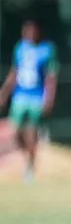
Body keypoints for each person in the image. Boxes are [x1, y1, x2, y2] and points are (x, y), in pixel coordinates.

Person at [0, 21, 59, 184]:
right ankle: (27, 155)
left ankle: (30, 167)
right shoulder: (20, 48)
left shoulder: (47, 49)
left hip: (36, 97)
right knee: (16, 131)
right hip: (20, 96)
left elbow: (51, 76)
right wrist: (4, 92)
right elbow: (14, 72)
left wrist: (49, 98)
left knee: (32, 131)